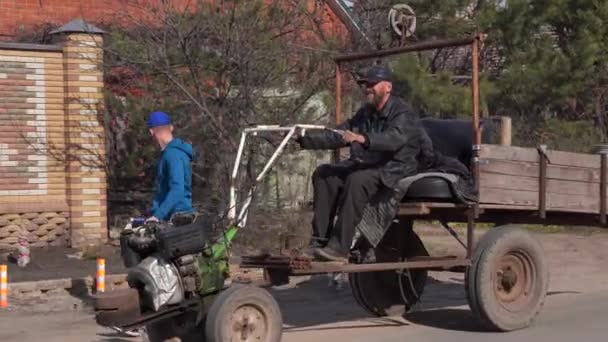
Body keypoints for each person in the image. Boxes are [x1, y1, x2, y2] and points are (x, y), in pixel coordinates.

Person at [297, 65, 427, 263]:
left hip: (394, 168)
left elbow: (394, 139)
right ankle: (319, 242)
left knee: (357, 180)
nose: (368, 88)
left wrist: (363, 138)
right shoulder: (365, 113)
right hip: (367, 164)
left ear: (388, 87)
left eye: (372, 84)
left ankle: (339, 248)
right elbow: (338, 134)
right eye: (366, 84)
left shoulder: (403, 113)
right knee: (324, 174)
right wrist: (303, 139)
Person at [146, 111, 195, 223]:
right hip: (173, 215)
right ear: (171, 128)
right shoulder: (175, 153)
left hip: (176, 217)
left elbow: (177, 189)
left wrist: (158, 215)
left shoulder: (172, 155)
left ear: (152, 131)